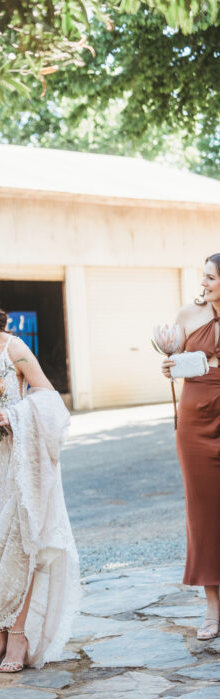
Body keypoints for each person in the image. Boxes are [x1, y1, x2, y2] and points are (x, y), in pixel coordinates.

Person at [0, 278, 80, 673]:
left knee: (20, 546)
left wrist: (13, 414)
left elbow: (48, 398)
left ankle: (18, 636)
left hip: (14, 462)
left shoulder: (14, 348)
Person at [161, 253, 220, 641]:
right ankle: (213, 607)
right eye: (204, 277)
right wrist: (169, 366)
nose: (204, 283)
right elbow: (174, 361)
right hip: (195, 419)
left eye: (211, 277)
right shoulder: (188, 314)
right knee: (203, 512)